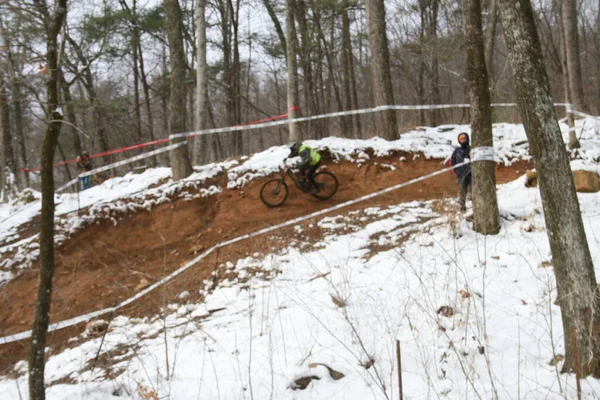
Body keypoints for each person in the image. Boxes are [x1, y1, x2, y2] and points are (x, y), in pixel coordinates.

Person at [450, 132, 471, 212]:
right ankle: (462, 208)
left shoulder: (471, 149)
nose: (462, 140)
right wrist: (456, 171)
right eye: (460, 139)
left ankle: (475, 206)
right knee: (462, 192)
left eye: (464, 138)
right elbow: (452, 162)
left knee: (473, 190)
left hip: (472, 174)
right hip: (461, 175)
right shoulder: (457, 151)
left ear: (467, 139)